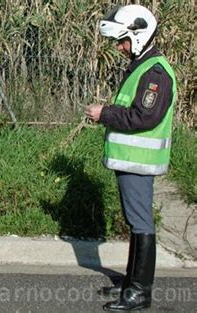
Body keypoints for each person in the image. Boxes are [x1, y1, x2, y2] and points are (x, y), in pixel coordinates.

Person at [84, 4, 177, 312]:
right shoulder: (143, 66)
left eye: (123, 40)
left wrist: (104, 113)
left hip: (137, 161)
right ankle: (131, 283)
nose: (120, 47)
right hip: (129, 160)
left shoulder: (155, 72)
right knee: (136, 222)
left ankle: (139, 291)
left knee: (140, 223)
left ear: (138, 35)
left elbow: (143, 116)